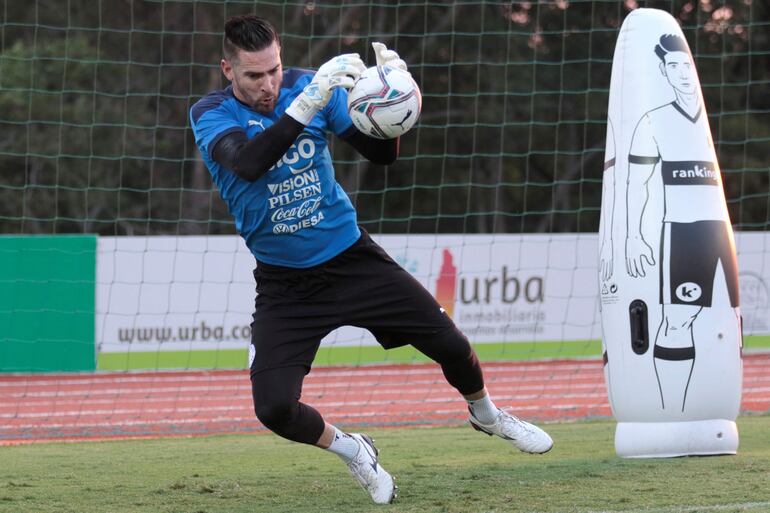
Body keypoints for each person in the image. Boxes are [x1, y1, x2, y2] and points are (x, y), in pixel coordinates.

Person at [190, 14, 553, 504]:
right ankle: (353, 450)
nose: (269, 84)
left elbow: (382, 155)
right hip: (286, 285)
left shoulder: (308, 86)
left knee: (452, 344)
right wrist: (307, 103)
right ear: (227, 71)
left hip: (352, 258)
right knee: (274, 408)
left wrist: (391, 99)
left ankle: (487, 415)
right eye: (254, 75)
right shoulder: (212, 112)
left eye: (274, 70)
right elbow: (249, 164)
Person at [624, 34, 740, 412]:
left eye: (686, 65)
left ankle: (712, 411)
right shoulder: (653, 120)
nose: (682, 73)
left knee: (730, 322)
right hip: (684, 232)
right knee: (677, 320)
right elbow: (636, 183)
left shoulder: (705, 124)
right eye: (673, 66)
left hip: (719, 232)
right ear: (663, 72)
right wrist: (633, 237)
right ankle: (671, 412)